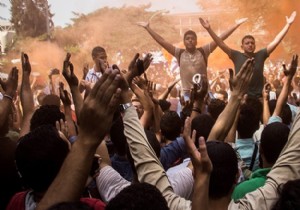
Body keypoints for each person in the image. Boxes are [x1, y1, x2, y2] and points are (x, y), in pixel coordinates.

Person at [137, 18, 247, 100]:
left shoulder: (204, 51)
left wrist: (235, 25)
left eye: (192, 38)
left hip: (205, 93)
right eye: (187, 39)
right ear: (184, 41)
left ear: (196, 41)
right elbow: (162, 41)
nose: (190, 40)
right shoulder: (179, 53)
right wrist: (148, 28)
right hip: (187, 95)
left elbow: (221, 38)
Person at [199, 11, 297, 97]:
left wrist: (288, 25)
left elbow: (276, 41)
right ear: (242, 47)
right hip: (242, 99)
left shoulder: (261, 55)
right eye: (247, 43)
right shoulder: (236, 55)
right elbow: (220, 43)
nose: (250, 45)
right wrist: (209, 29)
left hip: (259, 98)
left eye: (252, 43)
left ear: (255, 46)